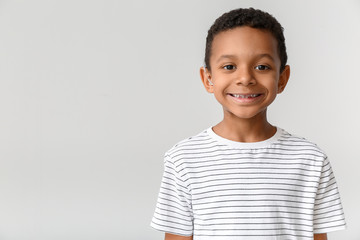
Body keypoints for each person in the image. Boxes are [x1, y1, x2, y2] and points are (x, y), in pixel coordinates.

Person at [150, 8, 346, 240]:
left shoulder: (311, 160)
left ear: (281, 79)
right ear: (208, 79)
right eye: (229, 67)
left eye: (262, 67)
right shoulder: (182, 159)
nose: (245, 78)